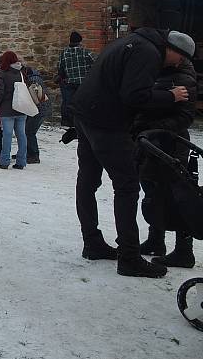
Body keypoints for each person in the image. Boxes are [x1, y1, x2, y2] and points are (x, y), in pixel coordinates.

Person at [73, 28, 192, 278]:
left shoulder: (131, 41)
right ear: (172, 50)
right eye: (180, 59)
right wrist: (169, 96)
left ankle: (92, 242)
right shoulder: (148, 52)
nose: (178, 64)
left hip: (85, 113)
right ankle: (129, 257)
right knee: (127, 186)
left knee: (87, 180)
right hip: (106, 121)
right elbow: (134, 96)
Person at [135, 55, 198, 268]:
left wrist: (155, 128)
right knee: (153, 191)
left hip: (172, 144)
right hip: (151, 143)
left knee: (179, 196)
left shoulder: (184, 79)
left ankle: (183, 251)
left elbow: (185, 117)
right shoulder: (157, 73)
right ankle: (156, 240)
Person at [57, 31, 95, 141]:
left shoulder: (64, 53)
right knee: (83, 104)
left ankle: (68, 123)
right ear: (79, 41)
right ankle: (84, 122)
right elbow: (96, 64)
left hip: (69, 83)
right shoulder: (86, 53)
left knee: (68, 103)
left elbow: (60, 69)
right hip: (84, 84)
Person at [0, 51, 29, 170]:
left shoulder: (2, 74)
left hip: (7, 108)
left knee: (7, 136)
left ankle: (4, 161)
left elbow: (0, 92)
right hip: (21, 107)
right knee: (22, 135)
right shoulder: (21, 72)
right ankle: (21, 161)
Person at [24, 66, 52, 164]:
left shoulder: (33, 80)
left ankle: (33, 156)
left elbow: (36, 96)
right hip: (40, 109)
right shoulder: (36, 78)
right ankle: (27, 152)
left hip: (39, 110)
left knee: (29, 132)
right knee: (28, 131)